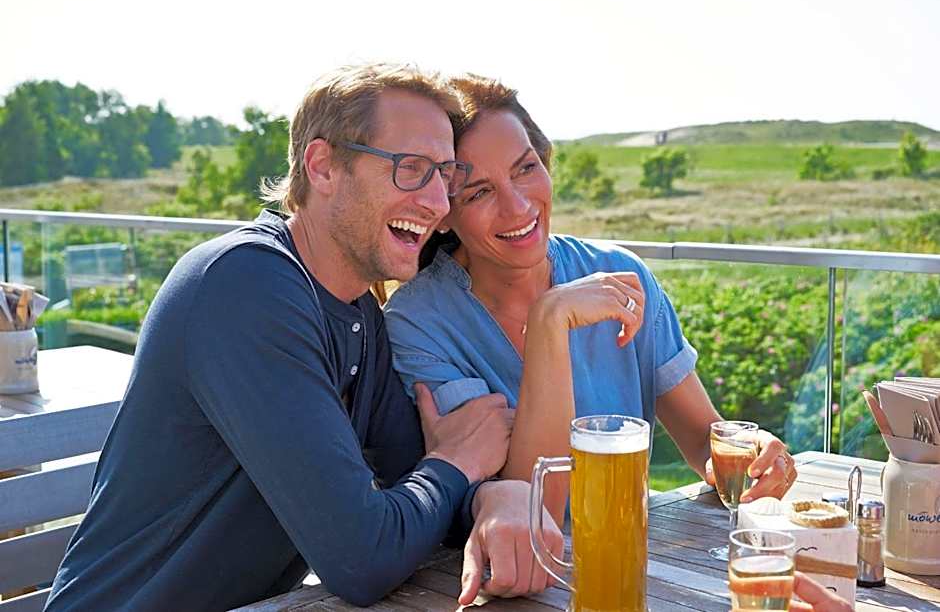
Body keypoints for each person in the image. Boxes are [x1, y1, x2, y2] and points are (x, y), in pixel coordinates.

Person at [45, 64, 561, 612]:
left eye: (444, 175)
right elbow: (364, 557)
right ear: (322, 166)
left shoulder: (358, 310)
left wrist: (493, 495)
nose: (437, 202)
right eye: (411, 169)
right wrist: (459, 463)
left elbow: (413, 476)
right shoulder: (244, 285)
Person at [384, 74, 798, 526]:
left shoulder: (622, 272)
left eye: (525, 168)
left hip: (627, 552)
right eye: (479, 192)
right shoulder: (417, 321)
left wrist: (746, 459)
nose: (518, 206)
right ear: (444, 211)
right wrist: (550, 321)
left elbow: (702, 439)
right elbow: (534, 510)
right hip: (505, 583)